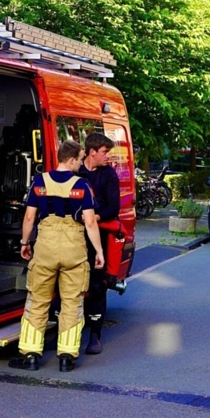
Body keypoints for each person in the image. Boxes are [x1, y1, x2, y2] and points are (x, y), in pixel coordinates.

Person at [10, 140, 104, 373]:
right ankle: (66, 357)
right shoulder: (82, 185)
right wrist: (99, 252)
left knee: (38, 301)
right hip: (73, 248)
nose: (81, 163)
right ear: (71, 159)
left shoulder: (40, 181)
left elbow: (29, 218)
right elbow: (90, 222)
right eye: (80, 159)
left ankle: (30, 354)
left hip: (46, 247)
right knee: (72, 303)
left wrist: (24, 242)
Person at [79, 132, 120, 356]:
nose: (107, 156)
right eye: (104, 152)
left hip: (99, 235)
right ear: (92, 152)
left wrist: (95, 217)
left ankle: (95, 335)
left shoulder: (108, 175)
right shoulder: (77, 171)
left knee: (97, 284)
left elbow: (114, 207)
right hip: (74, 236)